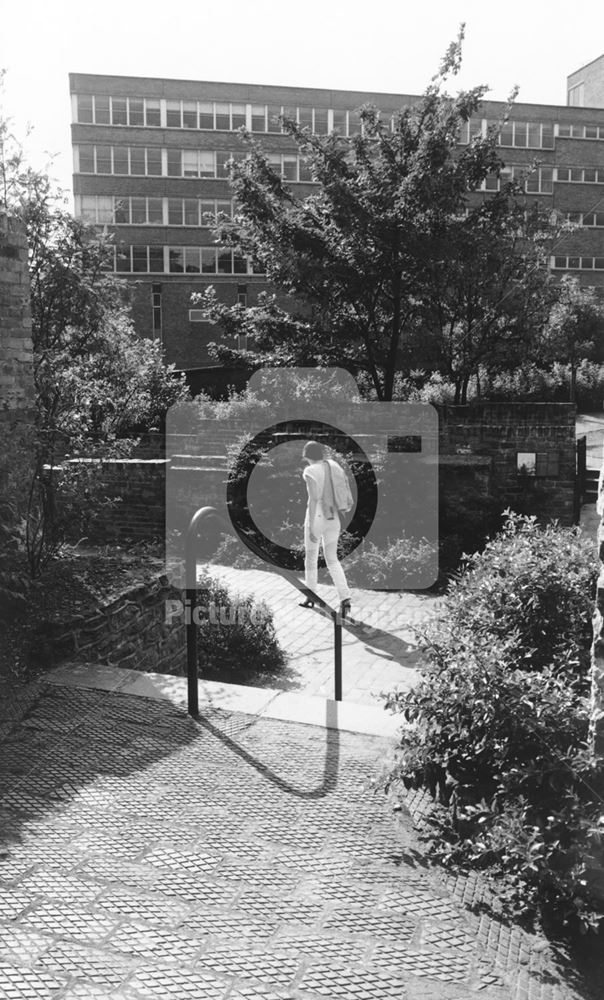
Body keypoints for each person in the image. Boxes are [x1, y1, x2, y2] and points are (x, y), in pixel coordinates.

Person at [300, 440, 352, 618]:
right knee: (332, 559)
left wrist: (310, 525)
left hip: (318, 517)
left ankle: (311, 595)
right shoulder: (333, 466)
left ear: (306, 455)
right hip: (334, 517)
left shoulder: (310, 471)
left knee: (311, 558)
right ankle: (345, 599)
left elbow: (313, 499)